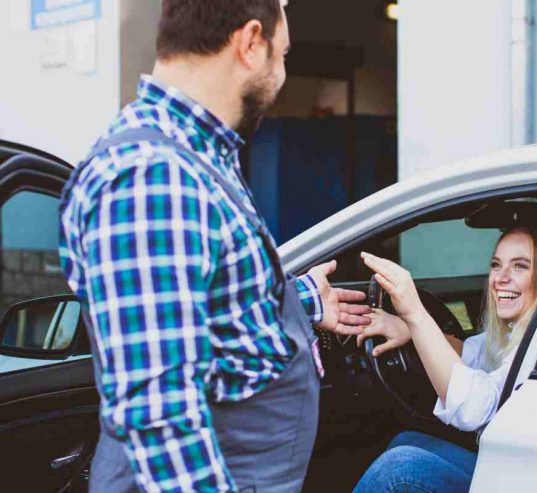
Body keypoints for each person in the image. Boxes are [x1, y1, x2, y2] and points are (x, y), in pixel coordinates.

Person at [58, 1, 371, 492]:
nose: (282, 75)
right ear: (250, 43)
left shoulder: (198, 158)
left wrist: (304, 300)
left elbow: (210, 301)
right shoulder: (151, 178)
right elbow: (160, 419)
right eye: (282, 56)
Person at [353, 221, 537, 493]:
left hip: (531, 482)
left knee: (399, 469)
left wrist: (414, 313)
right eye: (496, 264)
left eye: (520, 266)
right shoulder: (521, 331)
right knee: (408, 440)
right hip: (516, 467)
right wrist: (409, 329)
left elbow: (473, 411)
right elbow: (469, 351)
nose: (500, 278)